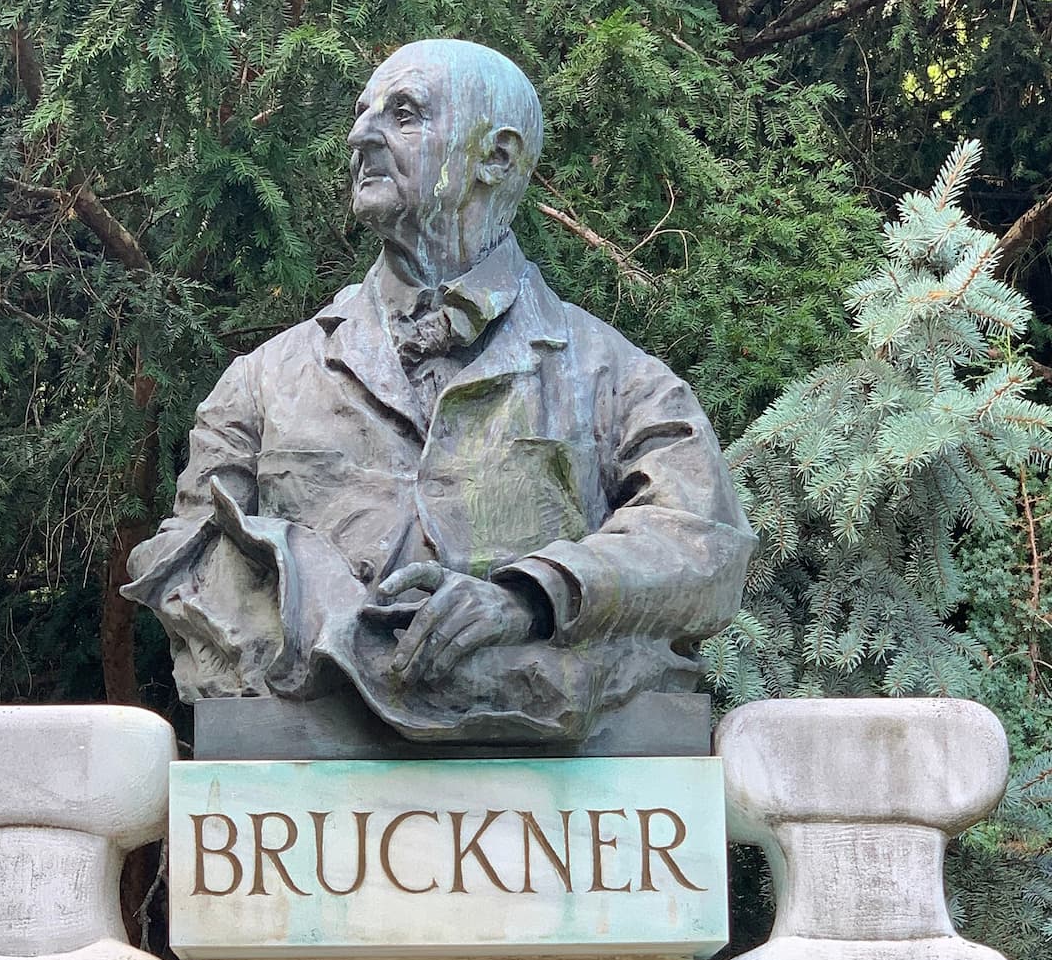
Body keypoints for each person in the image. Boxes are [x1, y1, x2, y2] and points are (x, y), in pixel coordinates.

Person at [122, 39, 756, 743]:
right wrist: (315, 602)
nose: (361, 135)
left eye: (404, 113)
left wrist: (529, 599)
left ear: (498, 157)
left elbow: (706, 546)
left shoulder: (617, 376)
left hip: (556, 735)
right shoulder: (264, 380)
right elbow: (178, 554)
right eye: (363, 113)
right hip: (305, 743)